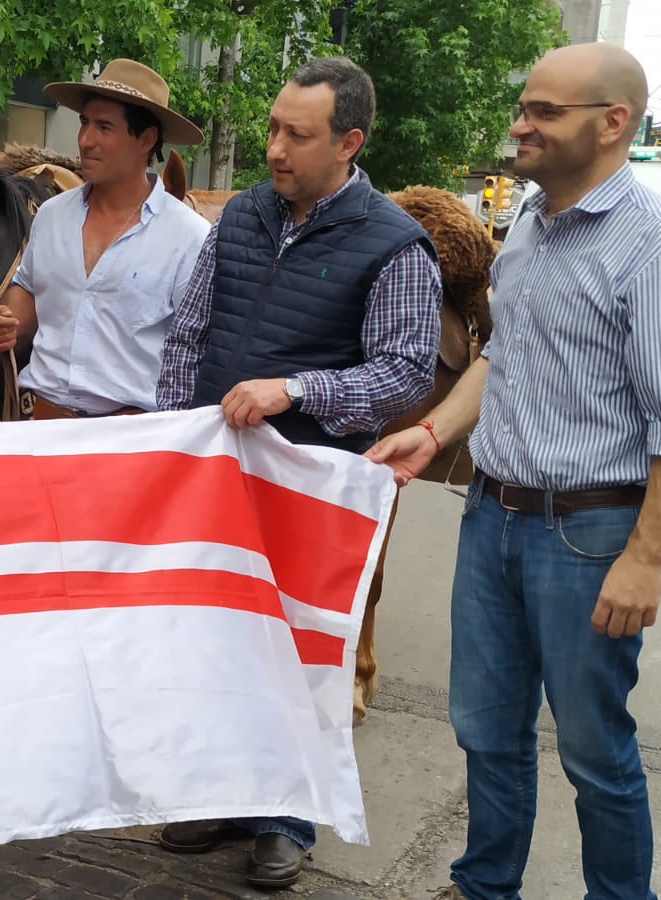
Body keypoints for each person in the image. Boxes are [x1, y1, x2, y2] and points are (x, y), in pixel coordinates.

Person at [366, 44, 661, 900]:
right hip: (492, 514)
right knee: (486, 730)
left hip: (589, 535)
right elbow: (506, 357)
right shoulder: (530, 224)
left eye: (544, 112)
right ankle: (484, 885)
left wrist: (644, 559)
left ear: (613, 124)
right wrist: (433, 430)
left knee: (595, 752)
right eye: (523, 106)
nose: (520, 125)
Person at [153, 57, 443, 888]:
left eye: (297, 135)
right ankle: (221, 791)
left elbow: (402, 375)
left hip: (311, 484)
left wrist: (298, 389)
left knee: (293, 648)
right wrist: (175, 434)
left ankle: (285, 819)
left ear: (349, 142)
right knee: (218, 635)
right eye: (274, 127)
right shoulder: (243, 215)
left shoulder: (394, 245)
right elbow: (190, 334)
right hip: (216, 475)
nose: (275, 148)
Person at [0, 59, 209, 418]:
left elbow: (196, 352)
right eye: (85, 123)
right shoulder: (52, 215)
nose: (86, 140)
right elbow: (28, 284)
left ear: (146, 140)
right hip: (42, 425)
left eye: (105, 127)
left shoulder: (190, 238)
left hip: (130, 442)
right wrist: (8, 321)